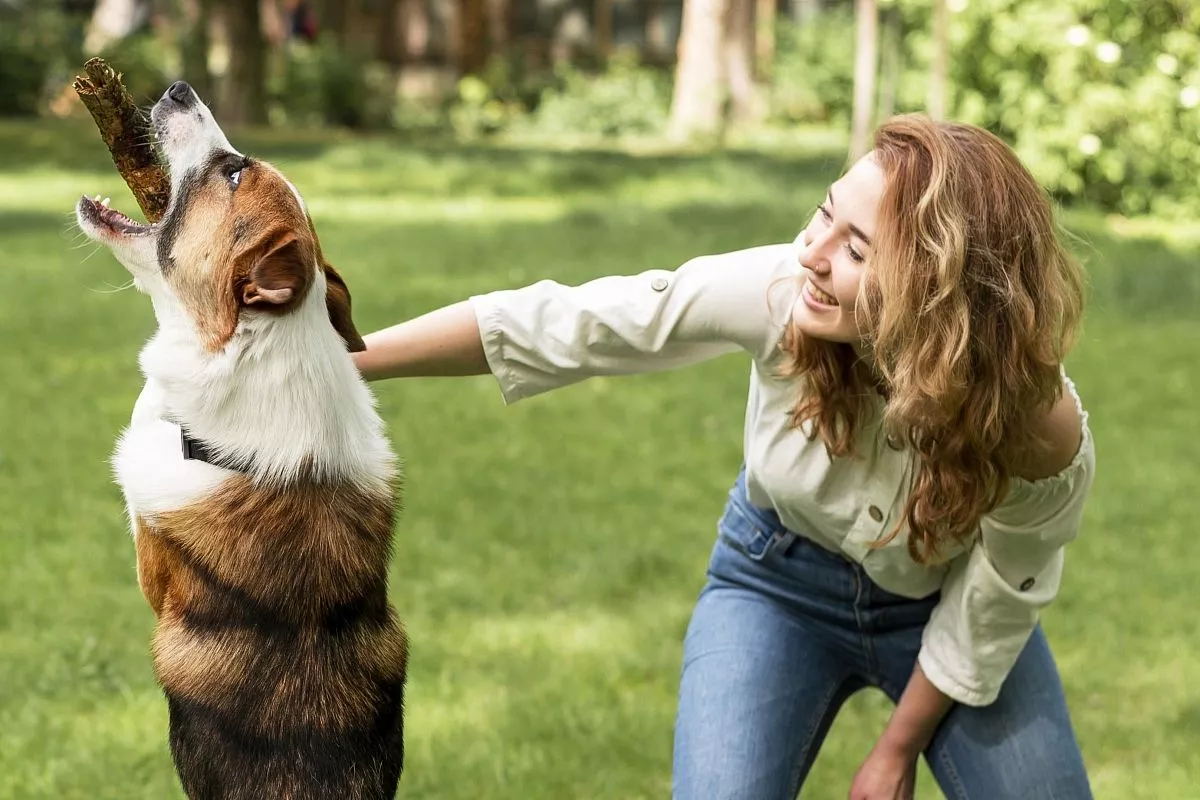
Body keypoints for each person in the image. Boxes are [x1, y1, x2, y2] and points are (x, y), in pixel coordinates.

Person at [351, 115, 1096, 800]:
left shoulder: (1035, 424)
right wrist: (353, 357)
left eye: (857, 249)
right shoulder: (779, 291)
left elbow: (1000, 593)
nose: (812, 252)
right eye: (824, 213)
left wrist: (894, 751)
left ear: (940, 288)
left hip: (945, 604)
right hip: (774, 583)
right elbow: (575, 324)